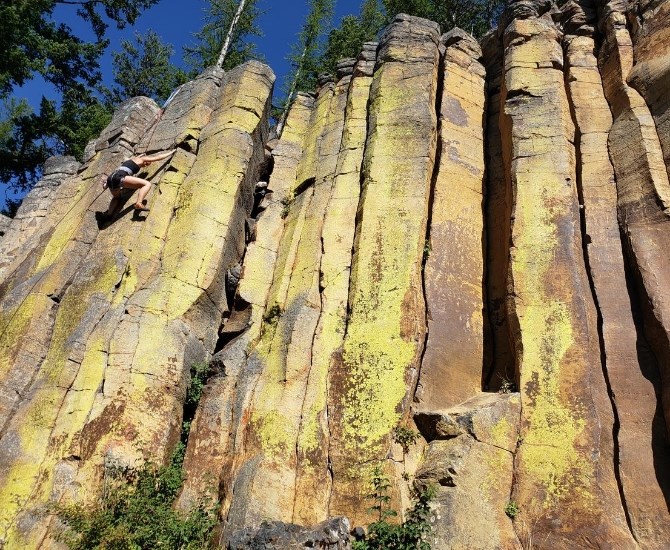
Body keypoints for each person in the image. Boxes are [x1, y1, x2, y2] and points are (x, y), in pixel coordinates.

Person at [103, 150, 176, 214]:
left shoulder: (130, 160)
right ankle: (139, 203)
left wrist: (106, 185)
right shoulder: (142, 159)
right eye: (147, 163)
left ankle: (108, 215)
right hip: (119, 177)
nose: (146, 165)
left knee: (116, 198)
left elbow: (136, 158)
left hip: (111, 179)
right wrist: (170, 153)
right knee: (147, 184)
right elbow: (157, 158)